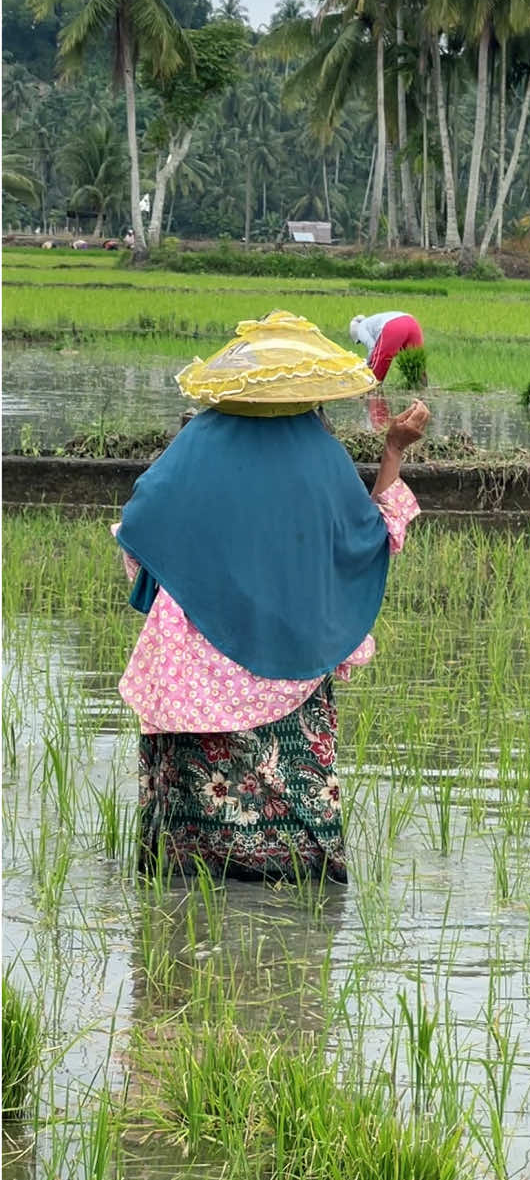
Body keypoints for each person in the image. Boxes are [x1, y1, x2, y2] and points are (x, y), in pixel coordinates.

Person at [111, 310, 429, 884]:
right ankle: (293, 884)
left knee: (184, 854)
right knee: (296, 832)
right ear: (311, 393)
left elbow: (140, 526)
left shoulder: (197, 443)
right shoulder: (320, 455)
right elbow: (370, 539)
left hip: (194, 661)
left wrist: (182, 578)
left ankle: (187, 878)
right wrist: (394, 450)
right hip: (294, 650)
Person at [349, 311, 425, 383]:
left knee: (380, 361)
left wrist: (367, 363)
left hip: (393, 326)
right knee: (415, 362)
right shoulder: (372, 321)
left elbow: (372, 348)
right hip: (411, 322)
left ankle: (373, 388)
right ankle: (419, 387)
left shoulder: (360, 328)